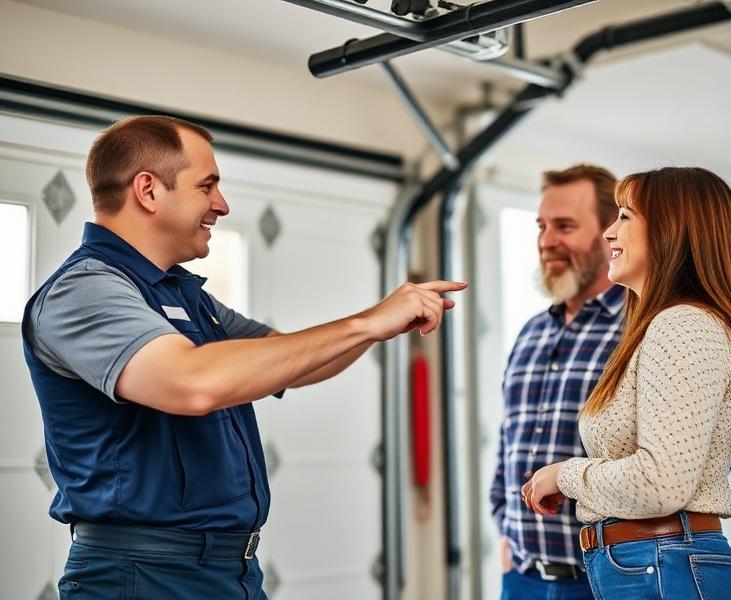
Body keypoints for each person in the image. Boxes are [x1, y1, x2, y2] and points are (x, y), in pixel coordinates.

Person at [21, 115, 467, 599]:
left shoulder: (182, 295)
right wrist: (364, 324)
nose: (222, 205)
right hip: (143, 574)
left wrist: (379, 327)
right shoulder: (85, 290)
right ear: (148, 191)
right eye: (207, 186)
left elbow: (292, 361)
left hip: (226, 571)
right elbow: (191, 384)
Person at [522, 166, 731, 599]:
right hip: (648, 565)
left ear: (671, 231)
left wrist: (565, 475)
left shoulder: (683, 325)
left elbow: (660, 482)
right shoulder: (664, 327)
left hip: (660, 564)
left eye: (625, 216)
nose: (609, 232)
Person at [490, 164, 623, 599]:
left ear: (611, 232)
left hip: (608, 581)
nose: (547, 241)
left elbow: (699, 457)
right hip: (522, 580)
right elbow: (508, 440)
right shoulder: (530, 332)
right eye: (542, 226)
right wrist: (504, 524)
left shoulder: (643, 329)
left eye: (564, 226)